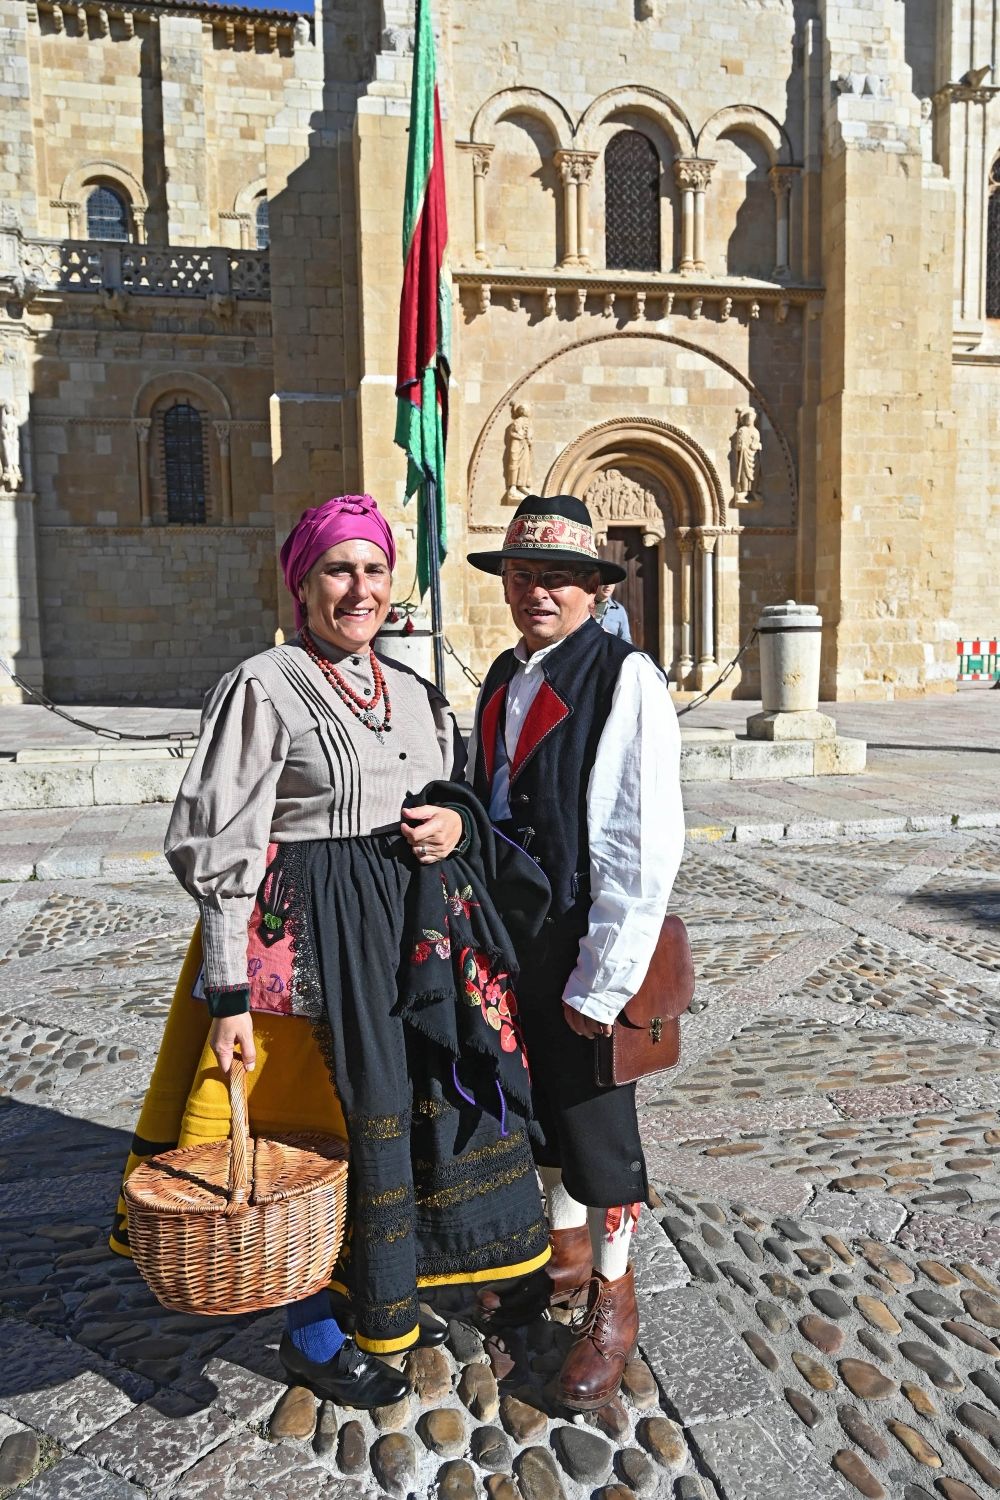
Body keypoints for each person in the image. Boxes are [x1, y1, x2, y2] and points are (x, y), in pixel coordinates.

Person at [113, 494, 550, 1409]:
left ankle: (378, 1295)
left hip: (405, 940)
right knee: (304, 1137)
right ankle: (311, 1336)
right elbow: (218, 844)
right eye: (338, 570)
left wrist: (448, 824)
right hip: (305, 949)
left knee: (399, 1119)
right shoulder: (264, 686)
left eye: (375, 570)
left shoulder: (414, 690)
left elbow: (451, 796)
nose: (360, 589)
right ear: (302, 583)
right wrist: (227, 995)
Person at [466, 494, 684, 1411]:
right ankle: (562, 1256)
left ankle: (615, 1297)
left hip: (581, 936)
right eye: (523, 575)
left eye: (557, 577)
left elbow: (643, 835)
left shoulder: (621, 675)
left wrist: (606, 973)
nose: (537, 592)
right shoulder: (502, 675)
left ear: (594, 587)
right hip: (514, 938)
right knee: (542, 1110)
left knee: (600, 1132)